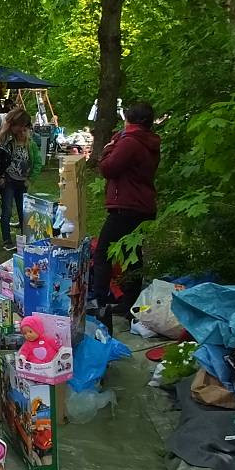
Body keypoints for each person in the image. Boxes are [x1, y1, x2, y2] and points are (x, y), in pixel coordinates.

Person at [93, 102, 161, 325]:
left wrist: (109, 147)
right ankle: (130, 301)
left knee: (103, 252)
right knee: (132, 254)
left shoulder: (130, 141)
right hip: (141, 203)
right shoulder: (149, 141)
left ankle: (99, 301)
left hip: (127, 205)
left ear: (129, 120)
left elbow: (108, 168)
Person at [0, 108, 44, 250]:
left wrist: (31, 179)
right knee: (7, 210)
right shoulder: (10, 142)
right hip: (10, 181)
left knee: (24, 211)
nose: (22, 132)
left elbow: (37, 163)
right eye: (20, 129)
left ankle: (25, 237)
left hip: (23, 182)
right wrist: (2, 176)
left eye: (24, 130)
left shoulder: (31, 145)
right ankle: (7, 240)